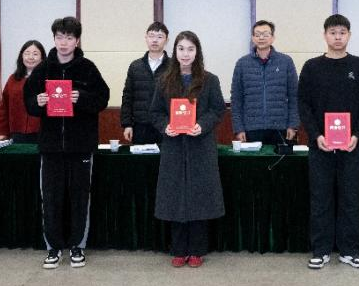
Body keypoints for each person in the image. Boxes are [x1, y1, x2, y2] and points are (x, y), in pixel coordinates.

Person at [24, 17, 110, 270]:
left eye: (69, 38)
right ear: (54, 39)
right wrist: (38, 102)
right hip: (51, 147)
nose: (64, 43)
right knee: (51, 198)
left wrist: (81, 97)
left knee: (79, 198)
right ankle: (53, 248)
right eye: (60, 37)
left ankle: (77, 246)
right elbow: (28, 102)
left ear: (77, 41)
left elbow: (102, 99)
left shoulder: (88, 68)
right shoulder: (42, 69)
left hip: (81, 146)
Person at [298, 14, 359, 270]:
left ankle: (350, 250)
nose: (338, 37)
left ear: (349, 35)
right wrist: (316, 135)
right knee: (320, 199)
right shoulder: (311, 67)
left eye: (342, 33)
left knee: (350, 199)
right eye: (333, 33)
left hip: (351, 146)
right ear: (325, 35)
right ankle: (320, 250)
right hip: (320, 146)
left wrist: (357, 135)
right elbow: (303, 105)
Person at [150, 31, 226, 268]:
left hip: (200, 147)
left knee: (199, 198)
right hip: (174, 147)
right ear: (175, 52)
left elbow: (218, 109)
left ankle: (197, 250)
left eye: (190, 49)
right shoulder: (164, 80)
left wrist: (202, 125)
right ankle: (178, 249)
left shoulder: (209, 80)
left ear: (197, 52)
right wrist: (165, 126)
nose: (185, 54)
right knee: (175, 198)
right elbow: (155, 112)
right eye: (181, 49)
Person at [230, 20, 299, 145]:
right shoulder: (242, 64)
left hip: (280, 127)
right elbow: (236, 99)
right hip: (251, 128)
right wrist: (238, 128)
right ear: (253, 38)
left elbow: (294, 96)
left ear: (273, 38)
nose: (261, 38)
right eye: (257, 34)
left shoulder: (286, 62)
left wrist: (293, 125)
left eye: (265, 34)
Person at [120, 22, 169, 145]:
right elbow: (127, 97)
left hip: (166, 126)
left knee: (165, 157)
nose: (155, 40)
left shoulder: (174, 67)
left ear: (166, 40)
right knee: (140, 158)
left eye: (160, 37)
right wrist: (127, 124)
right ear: (146, 38)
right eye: (151, 36)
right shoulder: (135, 66)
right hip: (140, 126)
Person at [0, 40, 45, 143]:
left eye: (35, 54)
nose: (30, 57)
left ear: (42, 58)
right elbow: (4, 108)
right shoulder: (13, 79)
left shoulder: (48, 79)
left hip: (42, 133)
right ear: (21, 56)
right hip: (17, 133)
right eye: (27, 53)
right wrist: (2, 132)